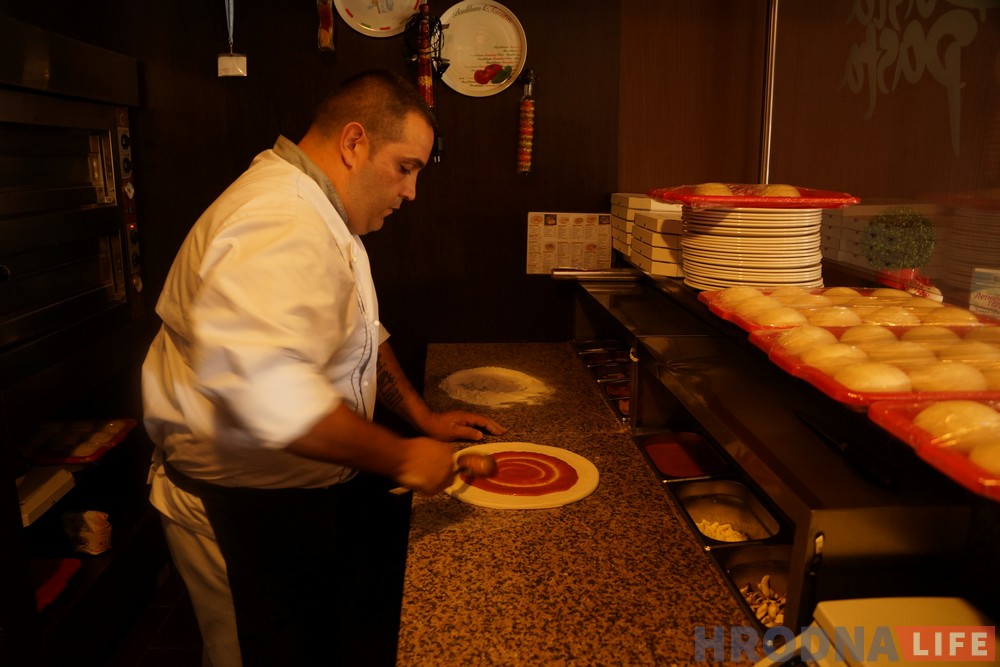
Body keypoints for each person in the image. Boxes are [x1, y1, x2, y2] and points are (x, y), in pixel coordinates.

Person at [141, 69, 507, 667]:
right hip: (239, 504)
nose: (411, 192)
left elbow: (360, 331)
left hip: (290, 493)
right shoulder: (276, 223)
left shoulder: (322, 211)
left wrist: (421, 417)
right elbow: (267, 394)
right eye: (406, 167)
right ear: (354, 142)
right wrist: (404, 456)